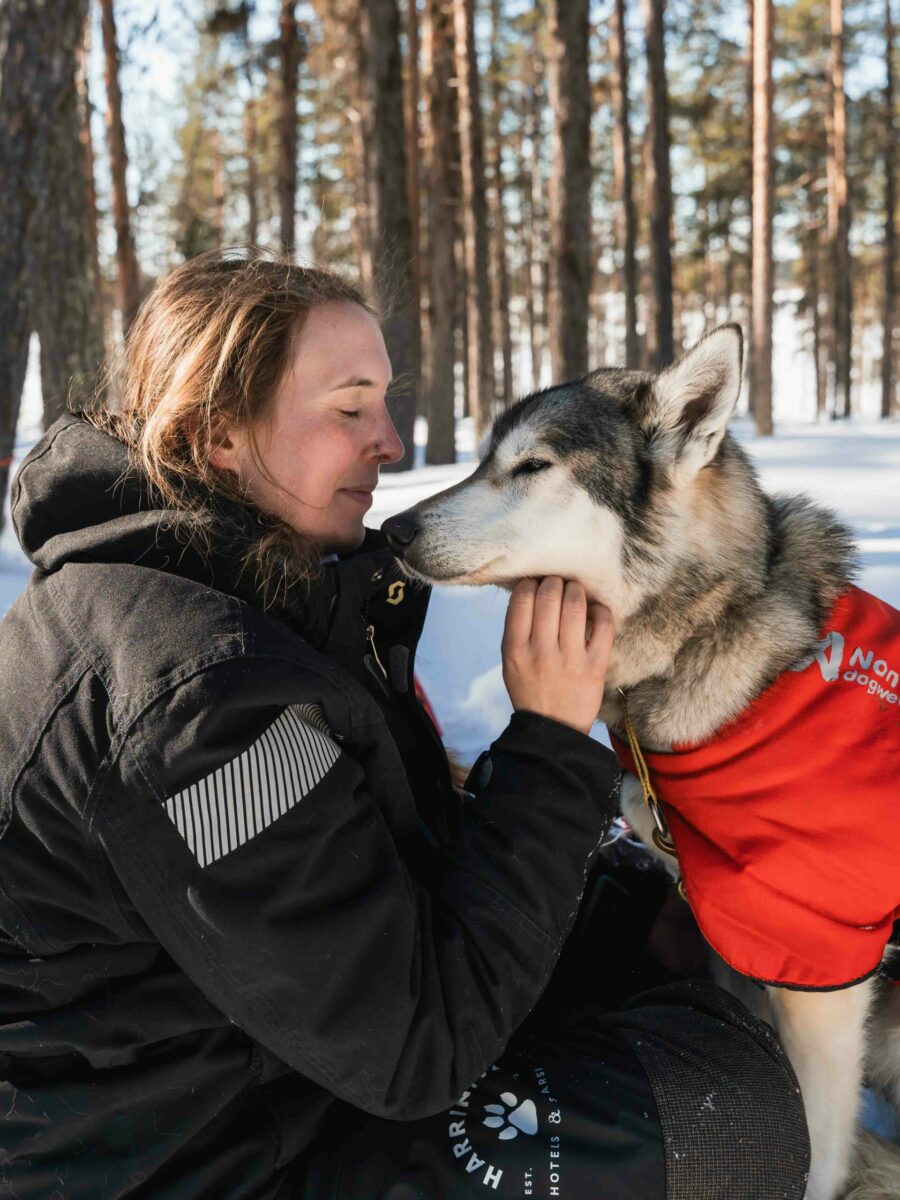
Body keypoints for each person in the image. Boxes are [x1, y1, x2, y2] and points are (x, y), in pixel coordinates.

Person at [0, 249, 809, 1199]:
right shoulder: (187, 703)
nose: (389, 439)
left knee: (658, 926)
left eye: (384, 399)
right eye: (350, 407)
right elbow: (417, 1049)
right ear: (221, 433)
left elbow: (371, 866)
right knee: (730, 1121)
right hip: (210, 1156)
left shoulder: (253, 582)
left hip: (292, 1054)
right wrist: (548, 746)